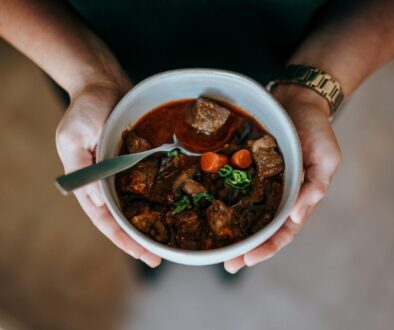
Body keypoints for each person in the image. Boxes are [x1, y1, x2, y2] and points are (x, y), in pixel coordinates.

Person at [0, 0, 392, 274]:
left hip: (288, 72)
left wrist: (313, 90)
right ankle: (154, 270)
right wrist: (86, 76)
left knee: (245, 249)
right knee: (136, 241)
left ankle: (218, 269)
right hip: (97, 61)